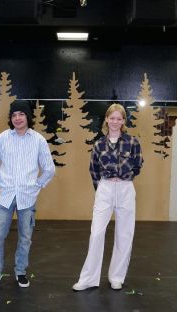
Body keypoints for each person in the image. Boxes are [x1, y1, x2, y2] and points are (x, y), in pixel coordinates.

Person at [0, 101, 55, 288]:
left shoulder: (38, 140)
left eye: (21, 114)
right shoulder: (2, 138)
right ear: (11, 118)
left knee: (25, 238)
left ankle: (20, 272)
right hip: (5, 197)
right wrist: (1, 183)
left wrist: (36, 185)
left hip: (27, 198)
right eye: (14, 115)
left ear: (28, 117)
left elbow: (49, 169)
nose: (17, 118)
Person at [72, 103, 143, 291]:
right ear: (106, 119)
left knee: (125, 233)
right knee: (96, 233)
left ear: (123, 121)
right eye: (112, 118)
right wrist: (101, 189)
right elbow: (93, 169)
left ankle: (117, 277)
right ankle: (88, 278)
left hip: (126, 188)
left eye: (119, 118)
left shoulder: (132, 142)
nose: (115, 121)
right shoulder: (98, 144)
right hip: (105, 188)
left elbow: (138, 164)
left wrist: (125, 177)